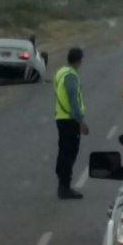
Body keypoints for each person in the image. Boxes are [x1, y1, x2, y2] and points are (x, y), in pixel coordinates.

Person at [53, 47, 89, 200]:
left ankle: (61, 176)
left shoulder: (61, 72)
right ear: (79, 60)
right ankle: (64, 186)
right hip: (70, 119)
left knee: (63, 151)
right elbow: (73, 99)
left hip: (61, 117)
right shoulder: (71, 76)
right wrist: (81, 121)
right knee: (69, 153)